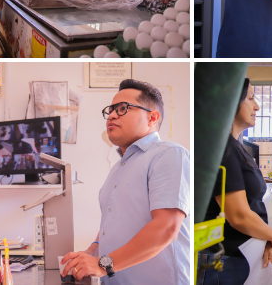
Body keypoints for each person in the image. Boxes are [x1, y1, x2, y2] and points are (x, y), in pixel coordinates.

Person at [61, 79, 189, 284]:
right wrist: (93, 250)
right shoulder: (117, 168)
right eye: (111, 110)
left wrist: (104, 265)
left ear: (152, 118)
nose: (111, 115)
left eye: (123, 108)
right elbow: (113, 225)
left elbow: (166, 228)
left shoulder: (168, 155)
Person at [198, 78, 272, 285]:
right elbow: (238, 216)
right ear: (231, 102)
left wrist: (267, 238)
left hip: (242, 257)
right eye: (251, 98)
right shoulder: (221, 148)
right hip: (224, 260)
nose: (257, 106)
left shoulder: (238, 147)